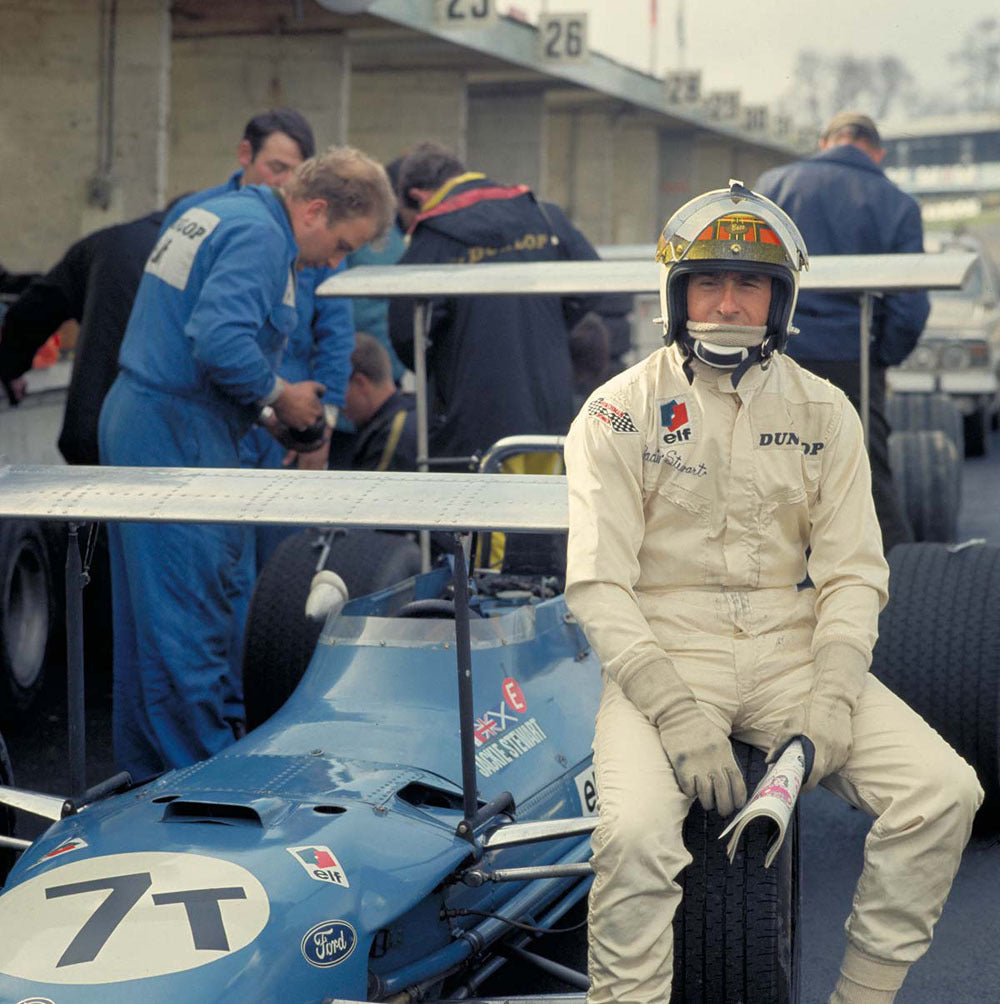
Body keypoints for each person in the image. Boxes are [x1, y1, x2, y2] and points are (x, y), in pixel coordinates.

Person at [564, 181, 982, 1004]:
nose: (727, 302)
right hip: (667, 658)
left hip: (793, 654)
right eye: (708, 282)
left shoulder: (826, 412)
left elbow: (856, 571)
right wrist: (673, 710)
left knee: (944, 792)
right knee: (637, 837)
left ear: (778, 299)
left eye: (748, 283)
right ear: (675, 296)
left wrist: (832, 692)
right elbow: (597, 583)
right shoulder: (617, 412)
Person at [99, 146, 395, 782]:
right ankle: (201, 781)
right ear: (314, 210)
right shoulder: (264, 237)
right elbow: (220, 339)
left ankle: (148, 778)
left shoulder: (219, 209)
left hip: (156, 417)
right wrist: (281, 396)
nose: (336, 263)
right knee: (191, 618)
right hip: (177, 433)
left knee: (149, 624)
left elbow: (191, 337)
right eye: (343, 244)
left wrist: (267, 415)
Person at [389, 141, 632, 467]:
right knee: (539, 512)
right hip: (550, 411)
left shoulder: (433, 237)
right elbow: (592, 285)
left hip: (472, 424)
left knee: (480, 514)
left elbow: (408, 334)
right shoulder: (543, 215)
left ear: (417, 197)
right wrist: (544, 327)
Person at [756, 111, 930, 553]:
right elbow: (910, 305)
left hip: (773, 352)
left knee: (761, 464)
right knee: (864, 474)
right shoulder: (897, 202)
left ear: (825, 141)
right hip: (853, 359)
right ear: (876, 151)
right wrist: (879, 355)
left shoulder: (773, 186)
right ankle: (893, 594)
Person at [164, 108, 355, 483]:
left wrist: (322, 423)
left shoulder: (314, 233)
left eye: (296, 172)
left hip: (286, 425)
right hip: (205, 407)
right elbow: (172, 318)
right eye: (277, 167)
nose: (286, 181)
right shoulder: (198, 214)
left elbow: (337, 332)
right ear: (244, 154)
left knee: (276, 540)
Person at [0, 208, 167, 465]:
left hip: (92, 432)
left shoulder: (111, 242)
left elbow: (37, 306)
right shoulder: (195, 249)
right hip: (165, 439)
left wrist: (10, 365)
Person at [334, 332, 417, 472]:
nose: (338, 404)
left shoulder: (392, 436)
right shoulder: (410, 414)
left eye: (339, 389)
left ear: (360, 383)